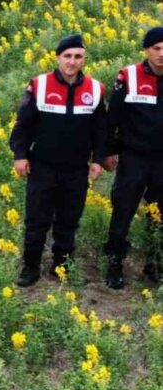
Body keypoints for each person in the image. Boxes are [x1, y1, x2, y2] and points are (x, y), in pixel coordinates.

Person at [9, 34, 106, 287]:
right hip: (42, 165)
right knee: (37, 219)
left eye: (78, 56)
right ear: (58, 57)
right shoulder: (39, 85)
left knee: (68, 219)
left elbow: (100, 130)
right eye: (67, 56)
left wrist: (97, 160)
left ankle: (60, 265)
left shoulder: (95, 89)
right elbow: (23, 126)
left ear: (84, 59)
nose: (72, 62)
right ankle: (30, 266)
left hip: (76, 168)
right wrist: (20, 155)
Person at [101, 26, 163, 289]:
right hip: (134, 158)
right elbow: (112, 118)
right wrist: (107, 151)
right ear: (146, 50)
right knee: (123, 211)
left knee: (159, 215)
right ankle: (115, 263)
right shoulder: (129, 76)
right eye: (156, 48)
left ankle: (155, 264)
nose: (162, 54)